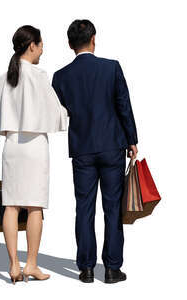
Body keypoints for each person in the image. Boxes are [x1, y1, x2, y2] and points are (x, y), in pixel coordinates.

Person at [52, 19, 138, 284]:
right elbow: (123, 105)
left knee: (84, 208)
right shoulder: (111, 68)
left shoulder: (60, 76)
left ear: (69, 44)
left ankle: (86, 268)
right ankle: (112, 269)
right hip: (112, 145)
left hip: (82, 149)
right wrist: (132, 140)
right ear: (93, 39)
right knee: (113, 209)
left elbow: (60, 111)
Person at [0, 25, 67, 284]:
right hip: (35, 147)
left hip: (12, 146)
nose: (43, 48)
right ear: (31, 45)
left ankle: (13, 265)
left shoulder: (5, 77)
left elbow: (1, 120)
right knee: (34, 206)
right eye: (41, 44)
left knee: (10, 205)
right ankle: (31, 263)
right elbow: (56, 113)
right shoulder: (39, 75)